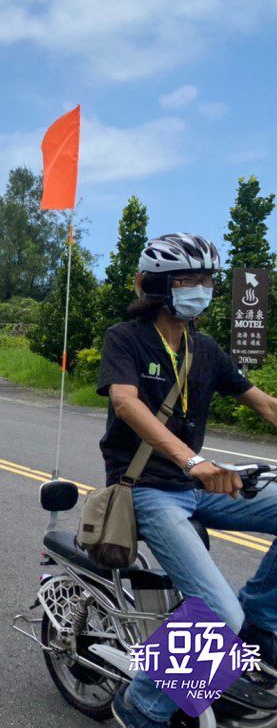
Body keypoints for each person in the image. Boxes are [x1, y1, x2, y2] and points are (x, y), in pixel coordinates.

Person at [99, 234, 277, 728]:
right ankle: (140, 708)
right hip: (150, 491)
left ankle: (260, 627)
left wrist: (198, 471)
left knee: (238, 621)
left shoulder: (206, 348)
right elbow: (126, 403)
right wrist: (191, 461)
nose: (200, 287)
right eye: (186, 278)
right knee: (220, 615)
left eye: (206, 279)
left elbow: (263, 404)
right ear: (157, 284)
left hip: (197, 488)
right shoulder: (126, 338)